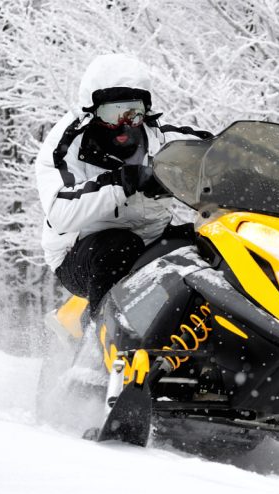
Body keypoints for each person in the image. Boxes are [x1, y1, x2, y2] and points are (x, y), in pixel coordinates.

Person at [35, 54, 175, 319]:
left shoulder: (160, 136)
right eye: (113, 113)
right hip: (78, 252)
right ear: (92, 111)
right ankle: (99, 348)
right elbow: (60, 212)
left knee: (206, 243)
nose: (124, 123)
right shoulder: (66, 145)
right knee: (120, 247)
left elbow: (211, 151)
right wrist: (122, 182)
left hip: (152, 238)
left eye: (133, 112)